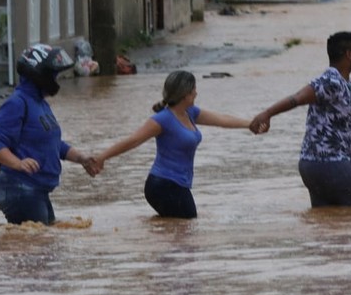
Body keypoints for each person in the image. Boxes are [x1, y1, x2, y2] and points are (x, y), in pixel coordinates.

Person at [249, 31, 351, 207]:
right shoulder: (330, 81)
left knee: (325, 223)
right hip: (334, 165)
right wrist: (267, 113)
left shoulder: (347, 86)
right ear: (349, 54)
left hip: (310, 167)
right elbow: (297, 98)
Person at [92, 70, 254, 219]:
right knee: (187, 228)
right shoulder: (162, 120)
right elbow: (133, 140)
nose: (196, 93)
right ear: (185, 94)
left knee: (177, 230)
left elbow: (222, 119)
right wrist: (102, 157)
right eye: (193, 90)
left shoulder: (190, 112)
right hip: (162, 185)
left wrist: (251, 124)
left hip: (178, 184)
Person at [0, 44, 97, 225]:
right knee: (40, 248)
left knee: (46, 241)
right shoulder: (17, 103)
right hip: (19, 187)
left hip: (36, 189)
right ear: (40, 75)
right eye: (53, 75)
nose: (56, 80)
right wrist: (18, 163)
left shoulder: (40, 104)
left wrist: (81, 159)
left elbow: (54, 144)